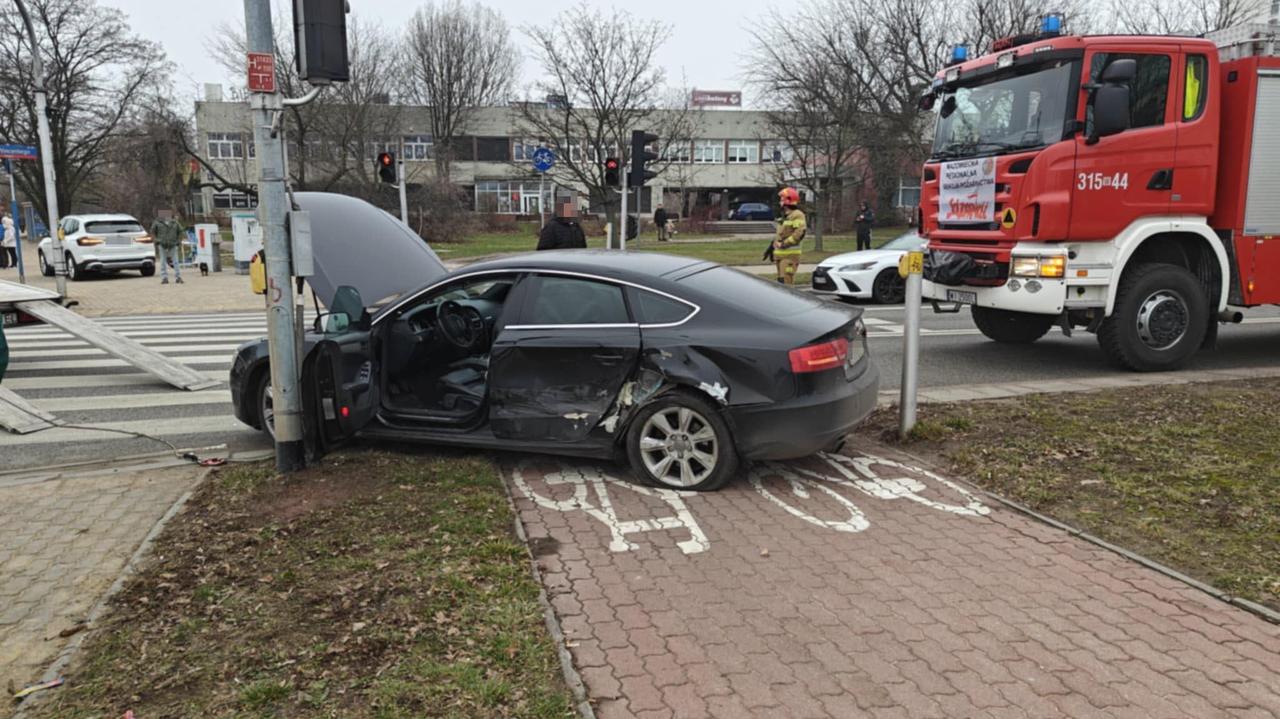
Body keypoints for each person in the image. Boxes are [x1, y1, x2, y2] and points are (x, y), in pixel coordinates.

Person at [773, 187, 807, 285]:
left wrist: (783, 244)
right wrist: (773, 245)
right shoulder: (786, 216)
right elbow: (782, 234)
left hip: (789, 257)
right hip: (780, 256)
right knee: (781, 284)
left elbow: (799, 234)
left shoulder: (797, 215)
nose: (780, 202)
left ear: (787, 200)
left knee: (787, 284)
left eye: (781, 199)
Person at [150, 209, 185, 284]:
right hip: (162, 244)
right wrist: (157, 241)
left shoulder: (175, 222)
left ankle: (178, 277)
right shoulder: (157, 222)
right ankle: (164, 278)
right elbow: (152, 232)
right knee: (162, 261)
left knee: (176, 261)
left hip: (173, 244)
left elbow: (181, 231)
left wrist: (178, 241)